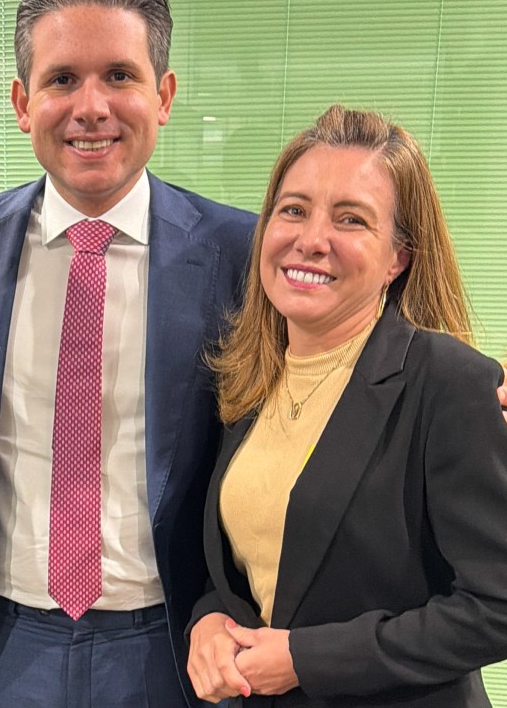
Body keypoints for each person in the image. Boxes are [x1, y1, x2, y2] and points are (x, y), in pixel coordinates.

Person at [0, 0, 256, 708]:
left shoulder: (238, 251)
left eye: (120, 76)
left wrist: (462, 393)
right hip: (2, 645)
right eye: (62, 79)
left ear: (163, 97)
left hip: (170, 644)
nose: (91, 107)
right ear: (22, 102)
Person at [186, 104, 507, 707]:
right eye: (293, 210)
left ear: (397, 257)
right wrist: (208, 619)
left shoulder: (448, 381)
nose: (311, 240)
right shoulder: (248, 377)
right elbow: (260, 564)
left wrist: (307, 660)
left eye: (351, 219)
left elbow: (496, 605)